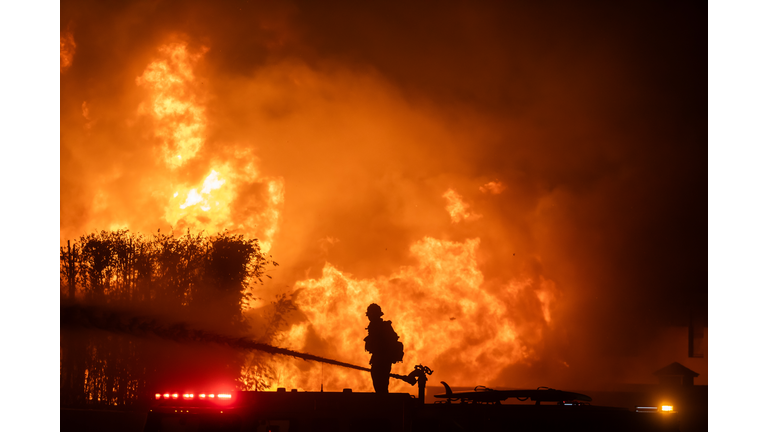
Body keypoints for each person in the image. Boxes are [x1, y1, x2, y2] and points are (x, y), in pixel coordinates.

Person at [364, 303, 403, 393]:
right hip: (377, 358)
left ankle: (383, 402)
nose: (369, 317)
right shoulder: (373, 327)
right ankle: (382, 399)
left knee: (381, 385)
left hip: (383, 360)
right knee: (378, 384)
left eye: (371, 315)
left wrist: (381, 350)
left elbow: (391, 342)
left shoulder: (384, 326)